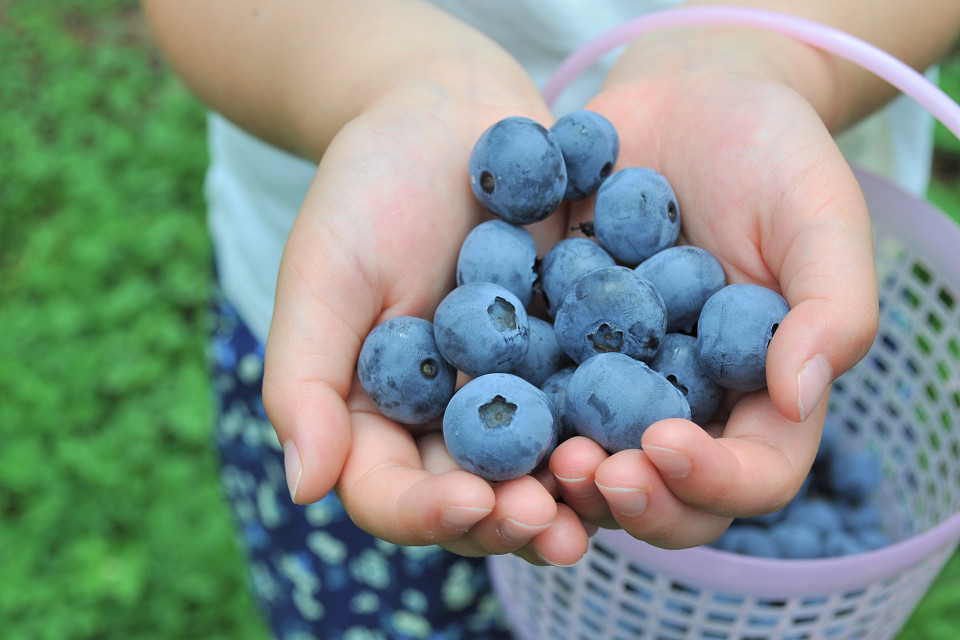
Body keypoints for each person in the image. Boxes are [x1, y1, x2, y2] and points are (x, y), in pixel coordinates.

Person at [142, 1, 960, 637]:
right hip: (357, 270)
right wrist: (394, 81)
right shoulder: (514, 297)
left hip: (756, 215)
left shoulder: (656, 303)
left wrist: (764, 56)